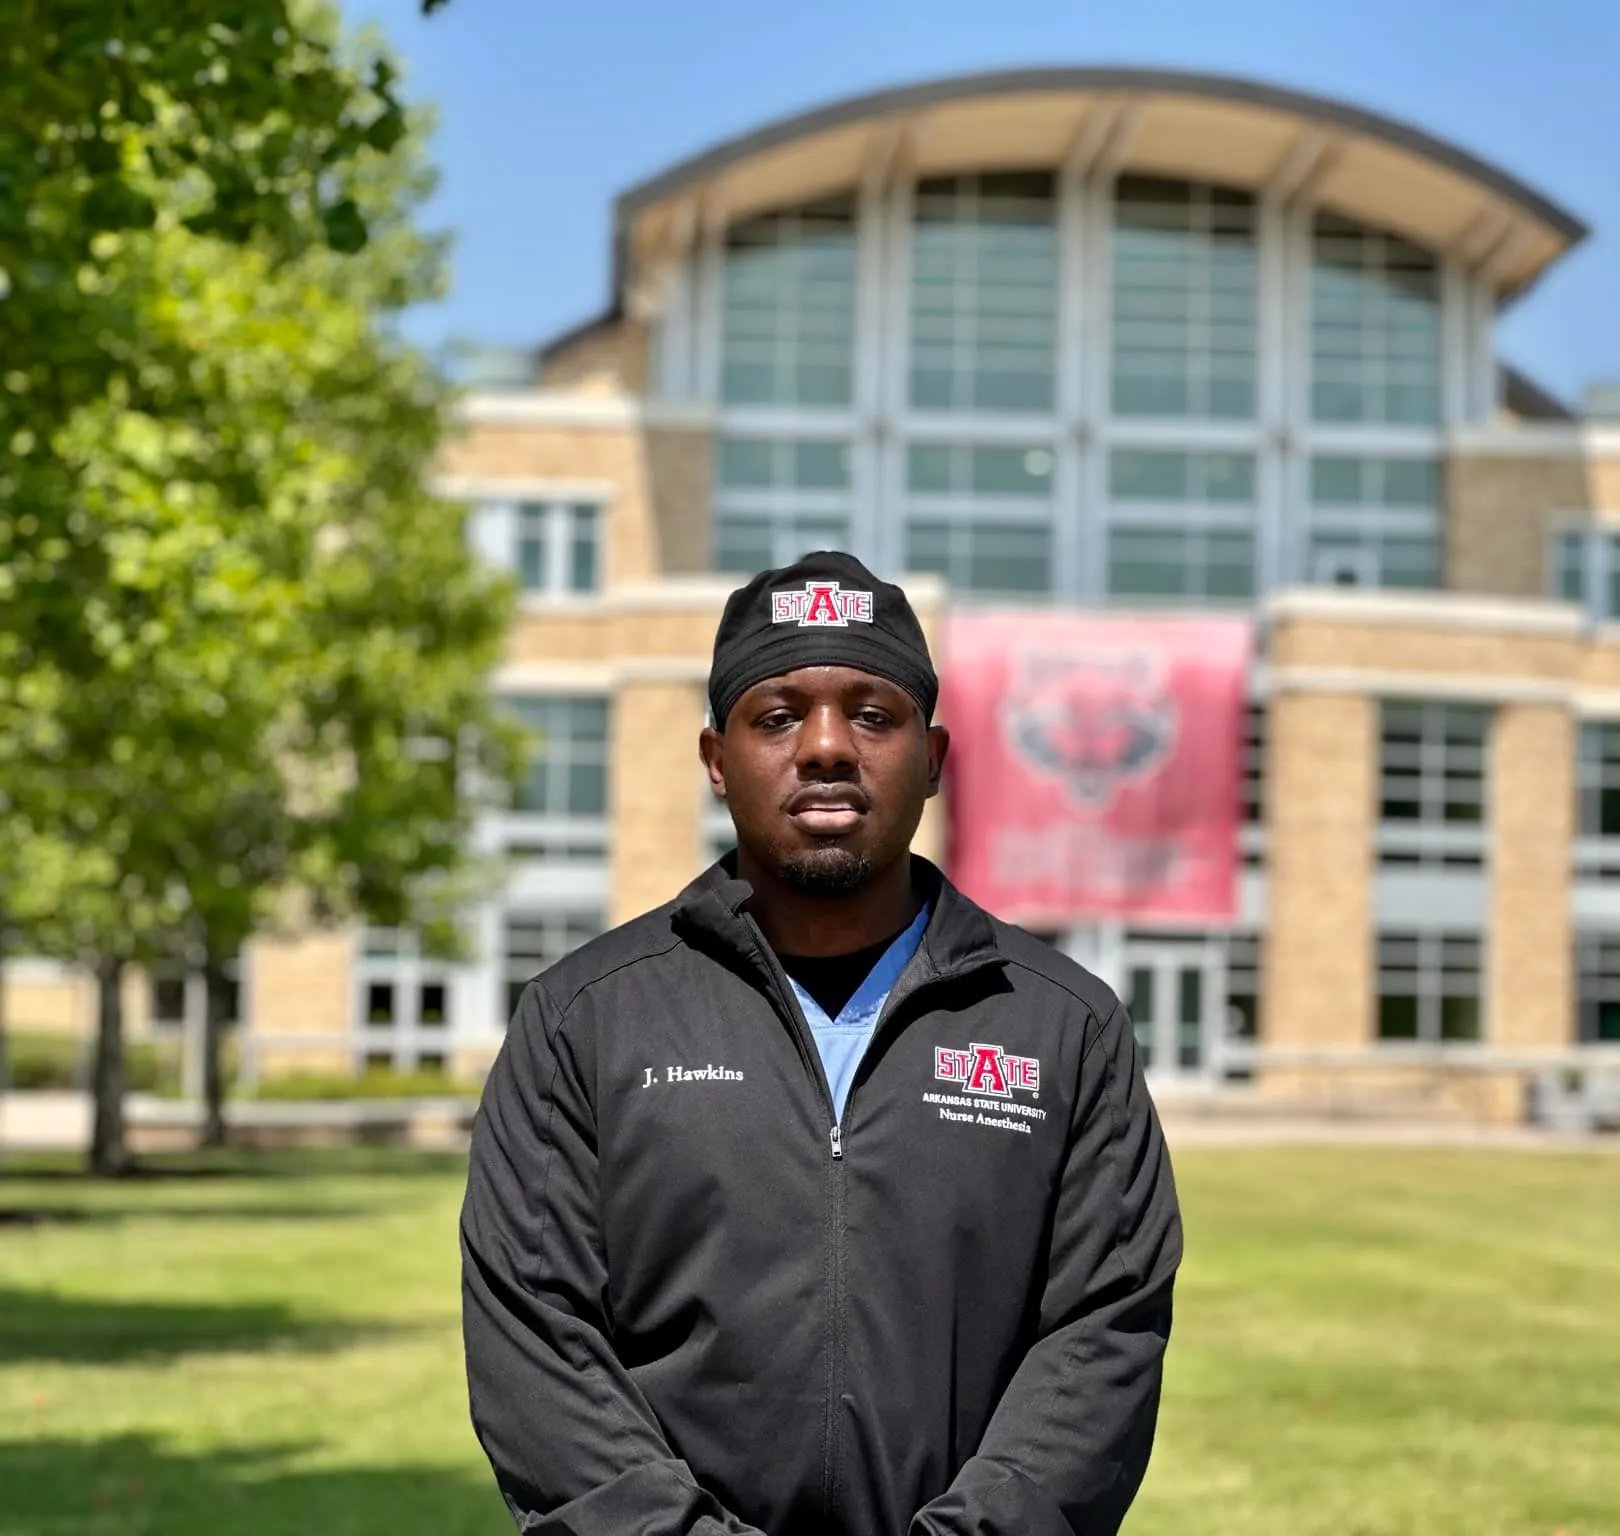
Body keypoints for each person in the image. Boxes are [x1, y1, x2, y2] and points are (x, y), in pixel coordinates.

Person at [461, 550, 1181, 1536]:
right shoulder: (583, 1019)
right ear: (717, 760)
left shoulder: (1061, 1025)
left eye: (873, 715)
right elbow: (537, 1349)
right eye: (778, 715)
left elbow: (1102, 1339)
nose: (828, 746)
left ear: (932, 759)